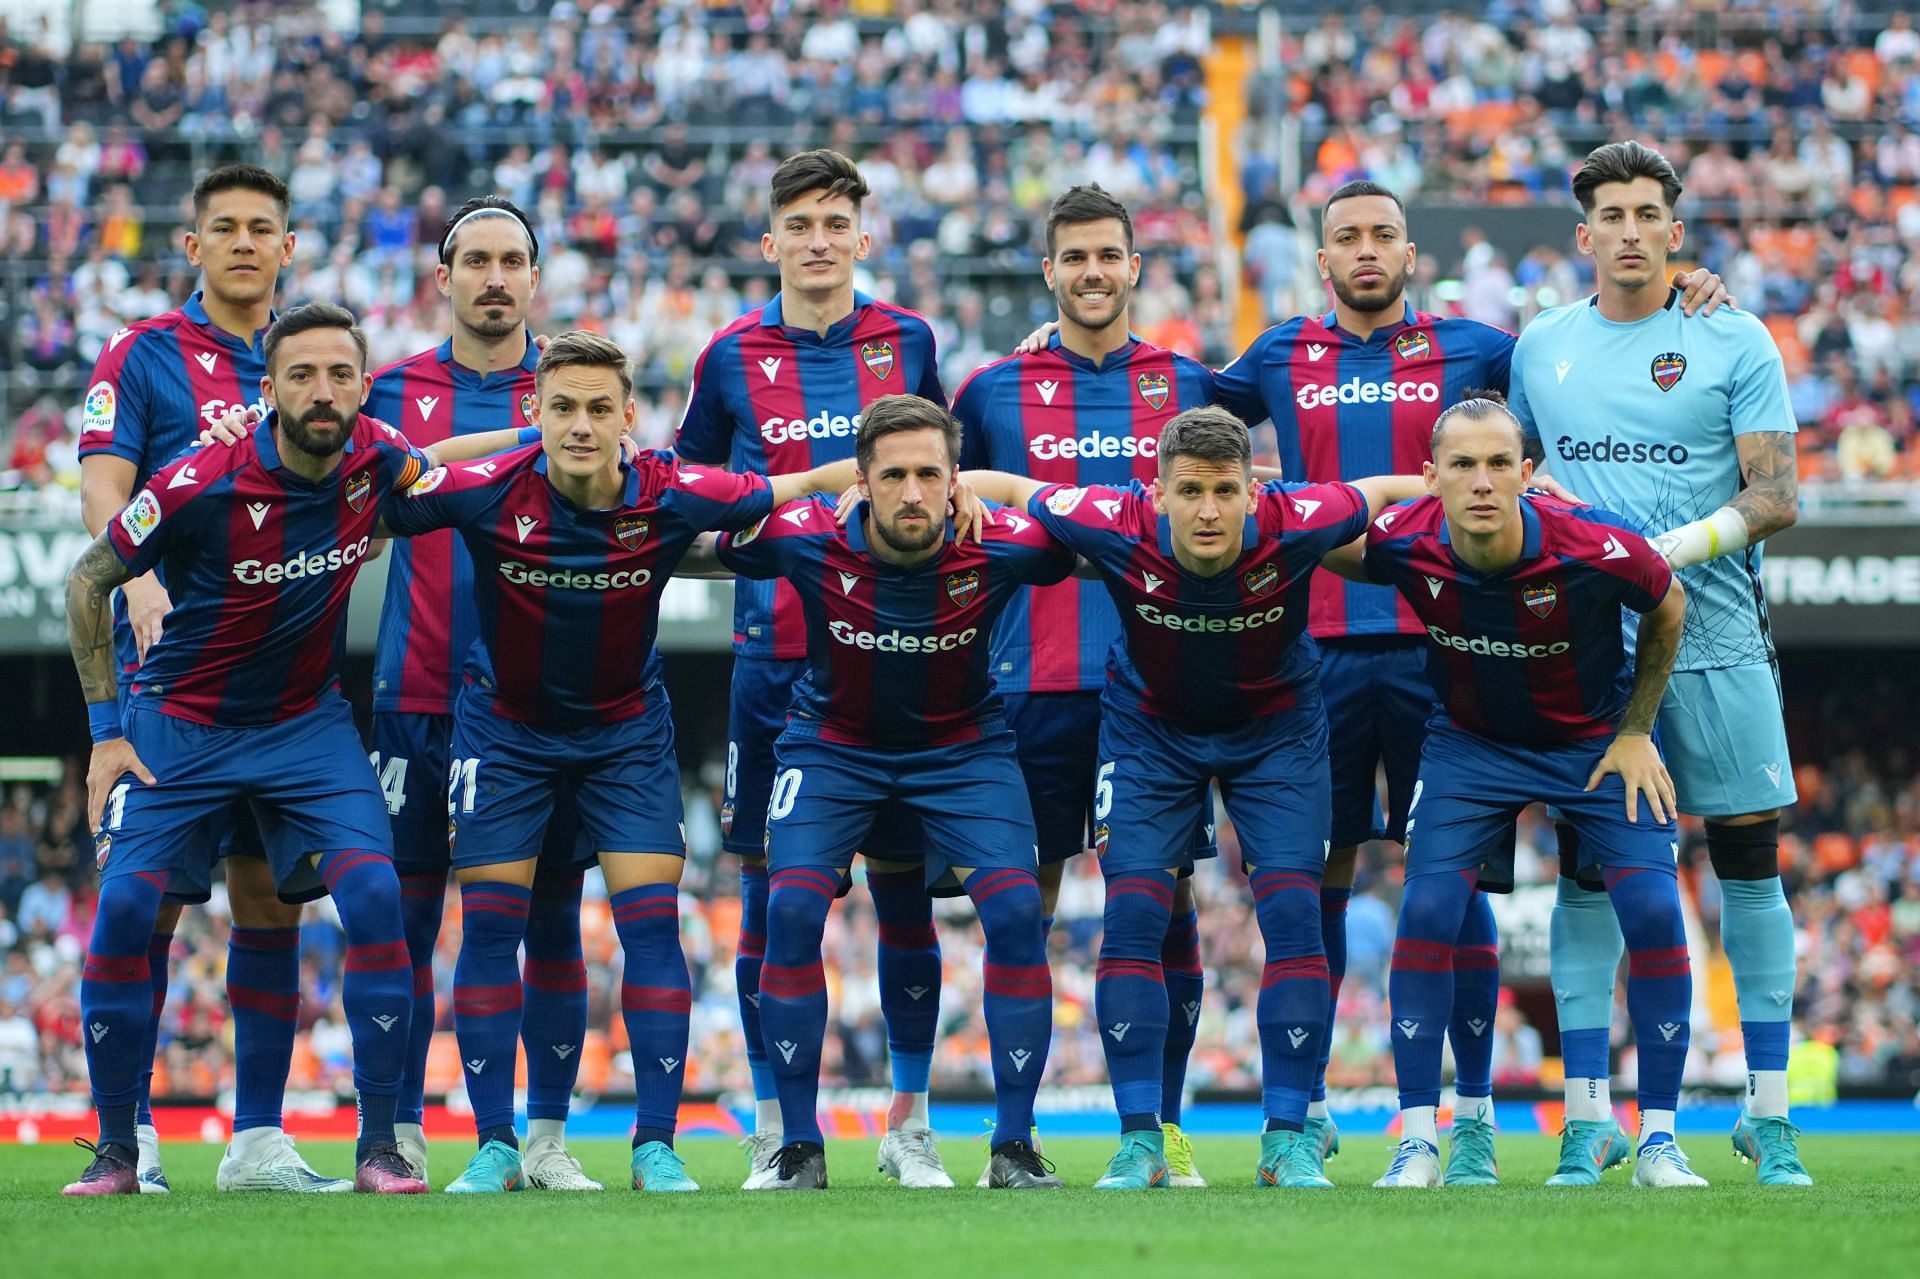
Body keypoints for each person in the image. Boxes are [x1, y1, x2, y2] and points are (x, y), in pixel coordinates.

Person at [1021, 179, 1728, 1173]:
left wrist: (1683, 287)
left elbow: (1581, 350)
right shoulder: (1276, 355)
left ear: (1409, 252)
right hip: (1317, 646)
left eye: (1382, 235)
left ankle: (1470, 1114)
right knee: (1322, 879)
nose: (1365, 250)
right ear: (1321, 259)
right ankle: (1301, 1109)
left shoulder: (1480, 350)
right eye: (1345, 236)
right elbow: (1178, 411)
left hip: (1449, 646)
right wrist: (1054, 344)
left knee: (1462, 889)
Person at [61, 303, 532, 1196]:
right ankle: (121, 1149)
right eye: (303, 375)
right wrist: (104, 735)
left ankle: (380, 1145)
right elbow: (88, 583)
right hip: (179, 721)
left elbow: (446, 469)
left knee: (376, 893)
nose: (323, 391)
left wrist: (541, 432)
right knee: (125, 913)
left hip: (303, 726)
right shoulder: (201, 477)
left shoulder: (377, 457)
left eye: (341, 375)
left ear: (363, 385)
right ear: (267, 387)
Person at [381, 331, 864, 1194]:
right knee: (492, 927)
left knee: (651, 925)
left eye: (599, 407)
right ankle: (497, 1144)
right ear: (534, 412)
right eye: (561, 406)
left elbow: (785, 486)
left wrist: (862, 477)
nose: (581, 424)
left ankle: (654, 1145)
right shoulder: (493, 485)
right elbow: (400, 476)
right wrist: (509, 441)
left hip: (626, 736)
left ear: (628, 416)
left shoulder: (669, 489)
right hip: (506, 731)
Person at [965, 406, 1424, 1190]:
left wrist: (1496, 486)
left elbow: (1381, 487)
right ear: (1158, 493)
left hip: (1277, 732)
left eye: (1224, 490)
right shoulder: (1113, 517)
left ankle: (1288, 1139)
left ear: (1254, 491)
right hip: (1150, 732)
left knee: (1293, 915)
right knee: (1133, 914)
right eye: (1190, 491)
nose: (1208, 510)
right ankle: (1139, 1139)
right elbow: (1011, 483)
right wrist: (954, 493)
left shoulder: (1300, 516)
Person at [1508, 140, 1812, 1186]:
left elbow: (1777, 499)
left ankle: (1767, 1115)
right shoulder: (1539, 346)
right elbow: (1514, 475)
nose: (1632, 231)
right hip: (1592, 651)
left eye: (1650, 213)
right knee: (1589, 874)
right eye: (1613, 215)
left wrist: (1671, 551)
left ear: (1676, 231)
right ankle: (1588, 1114)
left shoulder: (1732, 337)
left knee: (1748, 861)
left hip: (1718, 639)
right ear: (1583, 236)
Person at [695, 394, 1070, 1192]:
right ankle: (796, 1145)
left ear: (952, 480)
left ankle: (1013, 1145)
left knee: (1014, 913)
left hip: (962, 748)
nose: (910, 493)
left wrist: (997, 489)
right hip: (834, 746)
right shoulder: (810, 538)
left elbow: (1081, 523)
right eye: (891, 475)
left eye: (929, 474)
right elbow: (721, 533)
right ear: (860, 482)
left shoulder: (1001, 544)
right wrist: (803, 487)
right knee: (790, 910)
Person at [1332, 393, 1704, 1188]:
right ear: (1429, 477)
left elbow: (1671, 601)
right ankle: (1420, 1141)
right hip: (1471, 748)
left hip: (1596, 744)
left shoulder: (1592, 543)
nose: (1481, 480)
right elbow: (1311, 537)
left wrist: (1637, 729)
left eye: (1500, 463)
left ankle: (1661, 1141)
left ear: (1528, 474)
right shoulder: (1405, 538)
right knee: (1427, 911)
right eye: (1461, 464)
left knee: (1653, 911)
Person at [674, 149, 955, 1188]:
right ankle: (775, 1123)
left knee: (904, 898)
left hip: (903, 657)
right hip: (776, 660)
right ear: (771, 242)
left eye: (838, 221)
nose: (821, 240)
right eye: (801, 224)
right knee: (769, 901)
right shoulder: (728, 357)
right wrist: (808, 483)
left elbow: (944, 477)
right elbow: (693, 492)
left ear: (864, 237)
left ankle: (911, 1121)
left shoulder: (910, 341)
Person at [73, 163, 335, 1193]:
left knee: (271, 902)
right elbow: (105, 490)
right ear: (191, 246)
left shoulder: (318, 359)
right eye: (220, 227)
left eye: (259, 227)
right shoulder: (142, 357)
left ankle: (258, 1141)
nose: (240, 242)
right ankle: (125, 1139)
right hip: (170, 689)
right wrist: (134, 579)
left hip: (286, 693)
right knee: (148, 911)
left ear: (287, 246)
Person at [952, 183, 1216, 1184]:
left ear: (1136, 266)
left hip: (1158, 690)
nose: (1095, 272)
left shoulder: (1190, 385)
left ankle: (1161, 1129)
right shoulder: (989, 393)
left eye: (1112, 255)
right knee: (1027, 909)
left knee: (1164, 907)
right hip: (1030, 684)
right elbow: (945, 499)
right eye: (1077, 258)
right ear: (1050, 270)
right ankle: (1013, 1139)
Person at [361, 195, 594, 1189]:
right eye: (477, 260)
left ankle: (543, 1137)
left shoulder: (578, 390)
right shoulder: (388, 390)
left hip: (545, 707)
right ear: (444, 276)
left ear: (536, 280)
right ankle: (400, 1131)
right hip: (414, 696)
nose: (495, 277)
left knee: (550, 920)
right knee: (405, 921)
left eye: (513, 261)